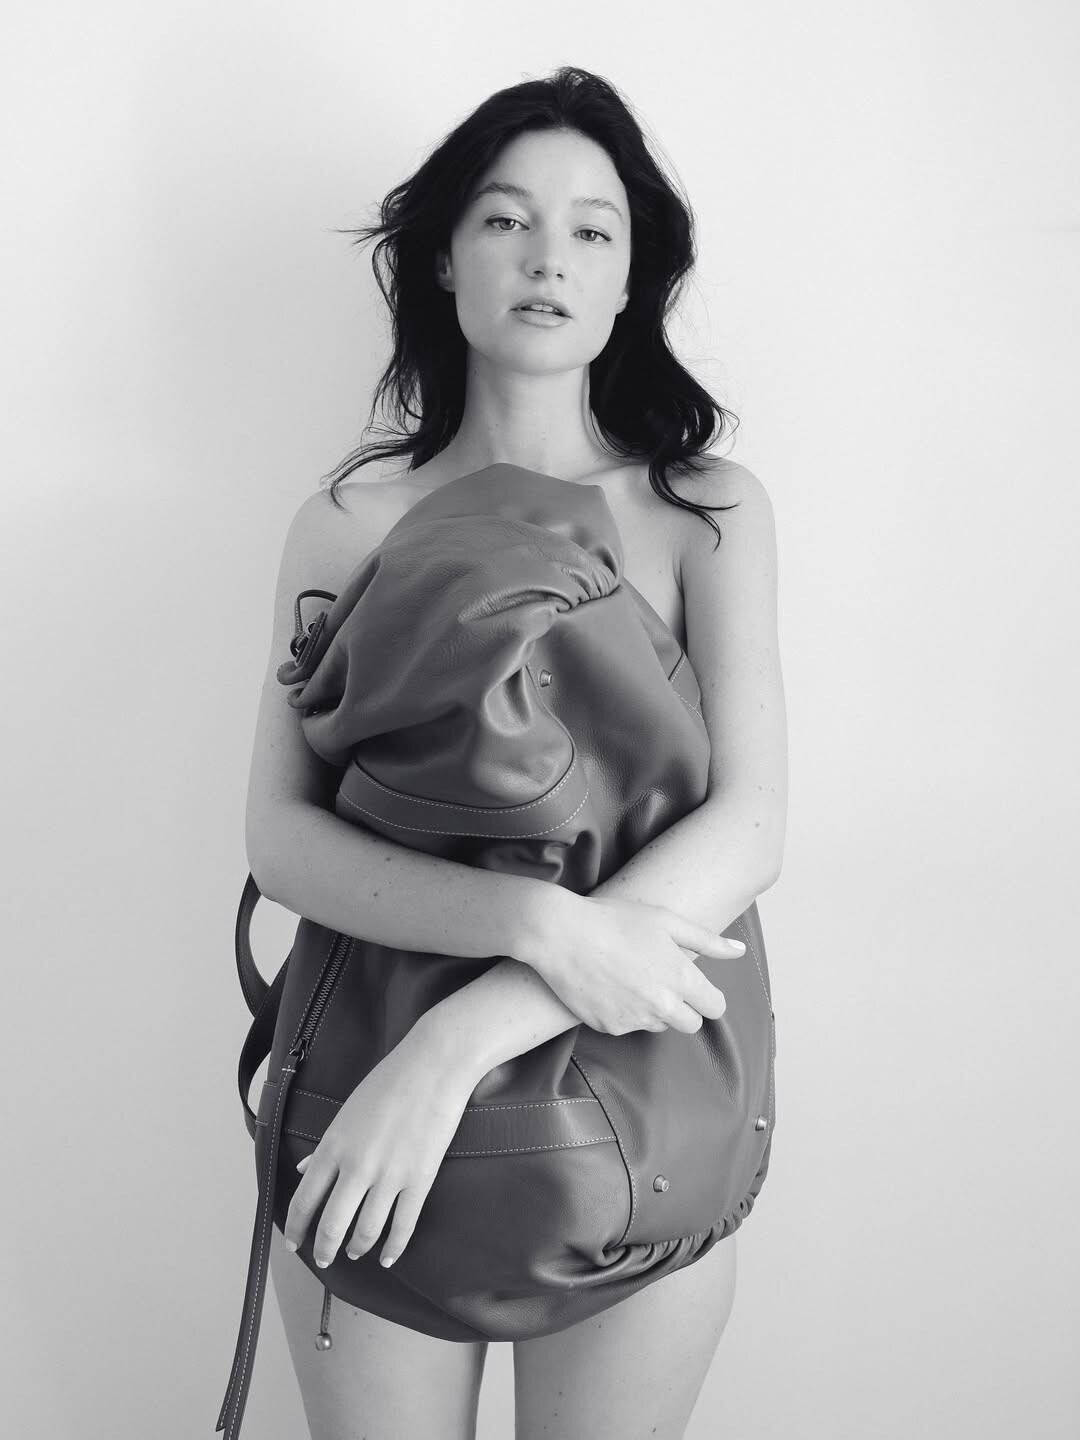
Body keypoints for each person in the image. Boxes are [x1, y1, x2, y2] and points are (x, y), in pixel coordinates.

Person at [246, 64, 787, 1440]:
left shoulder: (706, 512)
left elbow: (750, 827)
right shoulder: (348, 522)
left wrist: (468, 1036)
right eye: (505, 219)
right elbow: (282, 838)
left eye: (593, 230)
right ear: (443, 256)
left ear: (631, 279)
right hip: (371, 1085)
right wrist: (540, 930)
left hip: (638, 1094)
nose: (549, 257)